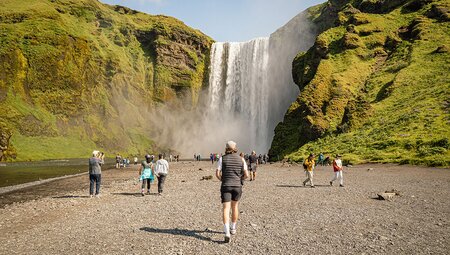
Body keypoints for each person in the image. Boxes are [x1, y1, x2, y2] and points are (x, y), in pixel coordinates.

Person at [216, 141, 249, 243]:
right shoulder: (241, 159)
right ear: (235, 148)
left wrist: (223, 179)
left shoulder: (222, 158)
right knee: (235, 207)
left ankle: (227, 233)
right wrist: (240, 180)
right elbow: (246, 175)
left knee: (226, 208)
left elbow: (217, 173)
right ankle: (233, 228)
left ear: (226, 148)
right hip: (237, 186)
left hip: (226, 185)